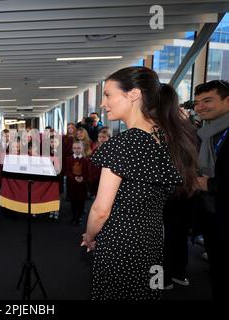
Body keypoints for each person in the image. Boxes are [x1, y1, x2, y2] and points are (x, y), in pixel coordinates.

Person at [81, 66, 197, 300]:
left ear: (133, 94)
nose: (104, 104)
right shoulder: (167, 136)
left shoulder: (125, 143)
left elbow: (101, 210)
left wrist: (89, 236)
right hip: (152, 240)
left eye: (108, 95)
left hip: (120, 243)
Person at [194, 80, 229, 300]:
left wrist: (210, 184)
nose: (200, 107)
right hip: (211, 214)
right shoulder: (208, 133)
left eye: (208, 101)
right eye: (197, 103)